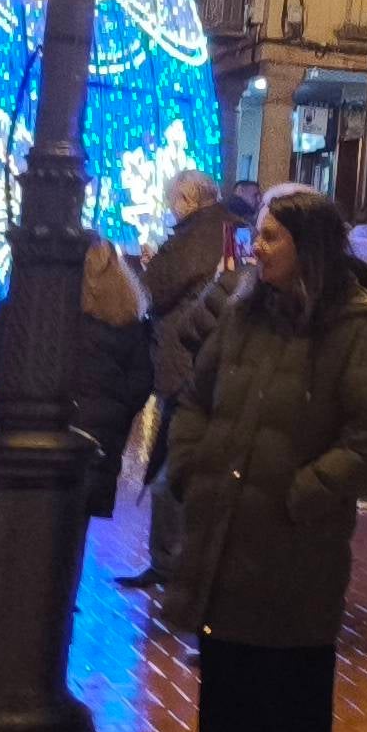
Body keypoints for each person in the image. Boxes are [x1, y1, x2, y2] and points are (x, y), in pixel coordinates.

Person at [162, 195, 367, 732]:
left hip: (297, 538)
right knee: (229, 679)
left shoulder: (354, 331)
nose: (256, 248)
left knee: (288, 684)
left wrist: (305, 492)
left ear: (307, 245)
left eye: (269, 237)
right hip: (227, 527)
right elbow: (195, 400)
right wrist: (191, 468)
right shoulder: (241, 315)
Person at [0, 238, 157, 605]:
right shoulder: (127, 322)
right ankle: (59, 605)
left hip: (26, 445)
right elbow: (141, 383)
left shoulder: (27, 309)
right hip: (96, 447)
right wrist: (114, 414)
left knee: (22, 531)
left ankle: (17, 604)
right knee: (71, 534)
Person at [130, 170, 238, 586]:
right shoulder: (231, 230)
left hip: (187, 363)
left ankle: (172, 562)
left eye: (173, 197)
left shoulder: (195, 236)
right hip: (214, 363)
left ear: (187, 198)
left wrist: (146, 268)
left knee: (176, 465)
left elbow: (155, 290)